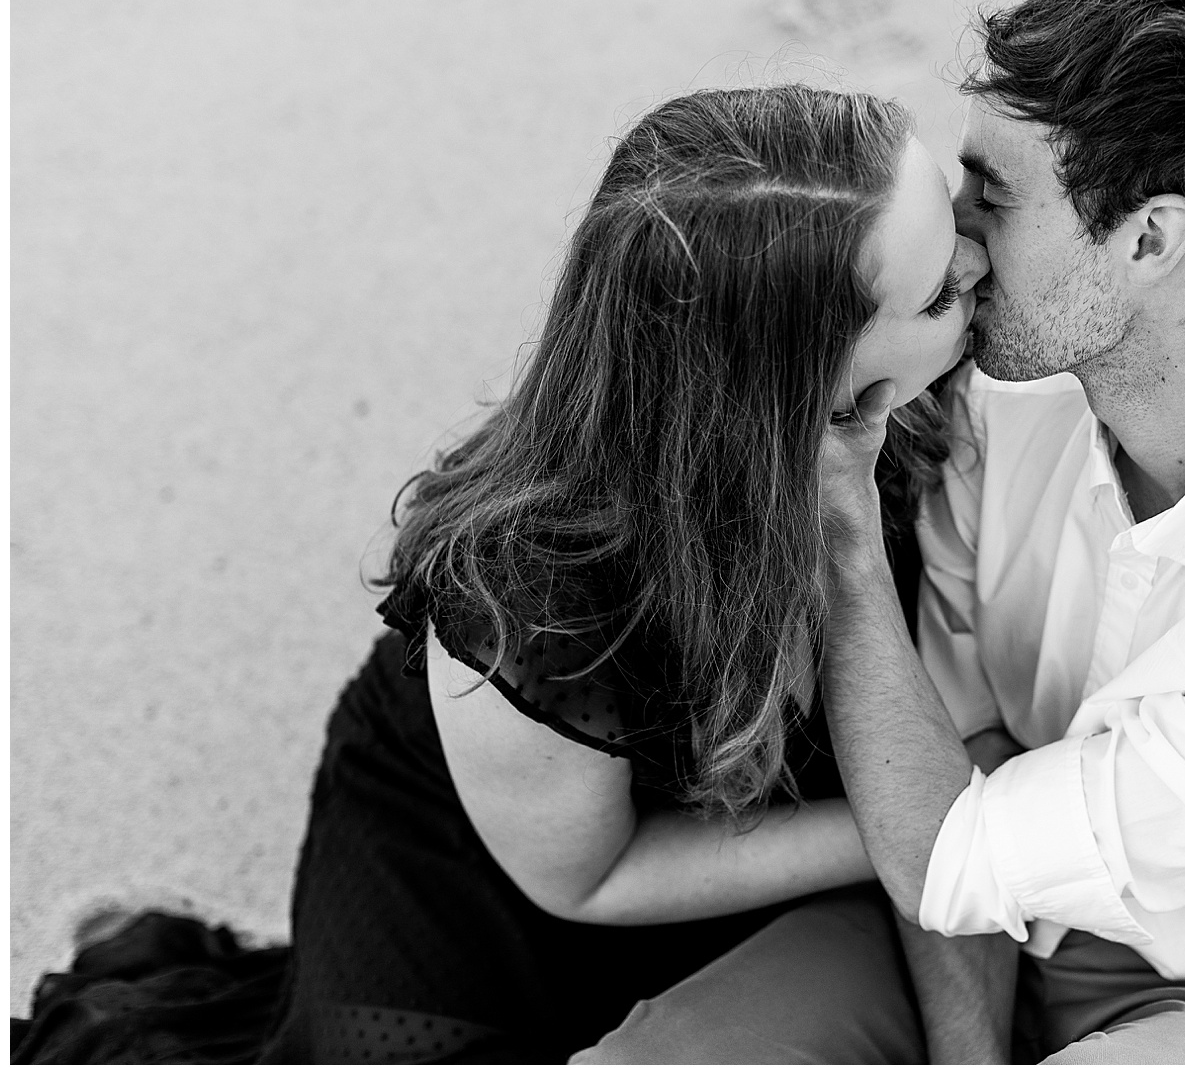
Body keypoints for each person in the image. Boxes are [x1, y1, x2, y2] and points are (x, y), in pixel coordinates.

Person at [580, 0, 1185, 1064]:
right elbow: (947, 766)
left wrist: (845, 529)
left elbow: (949, 847)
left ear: (1149, 240)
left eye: (994, 196)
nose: (956, 241)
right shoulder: (1000, 408)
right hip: (942, 914)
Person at [12, 84, 991, 1065]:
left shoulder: (927, 404)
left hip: (758, 815)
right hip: (502, 863)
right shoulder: (527, 585)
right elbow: (587, 878)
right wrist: (925, 831)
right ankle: (144, 966)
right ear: (797, 382)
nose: (980, 266)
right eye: (938, 294)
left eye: (953, 228)